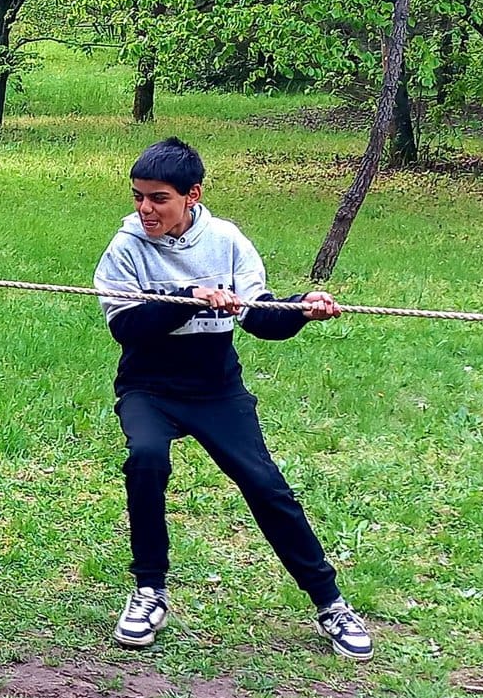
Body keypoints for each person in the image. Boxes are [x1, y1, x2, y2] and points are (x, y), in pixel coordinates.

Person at [94, 137, 373, 660]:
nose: (145, 209)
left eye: (159, 198)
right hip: (148, 387)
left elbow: (261, 319)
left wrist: (300, 309)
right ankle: (149, 591)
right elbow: (127, 328)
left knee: (265, 484)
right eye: (138, 196)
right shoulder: (125, 248)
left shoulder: (226, 241)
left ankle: (330, 604)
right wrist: (188, 298)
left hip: (217, 390)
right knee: (146, 459)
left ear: (192, 195)